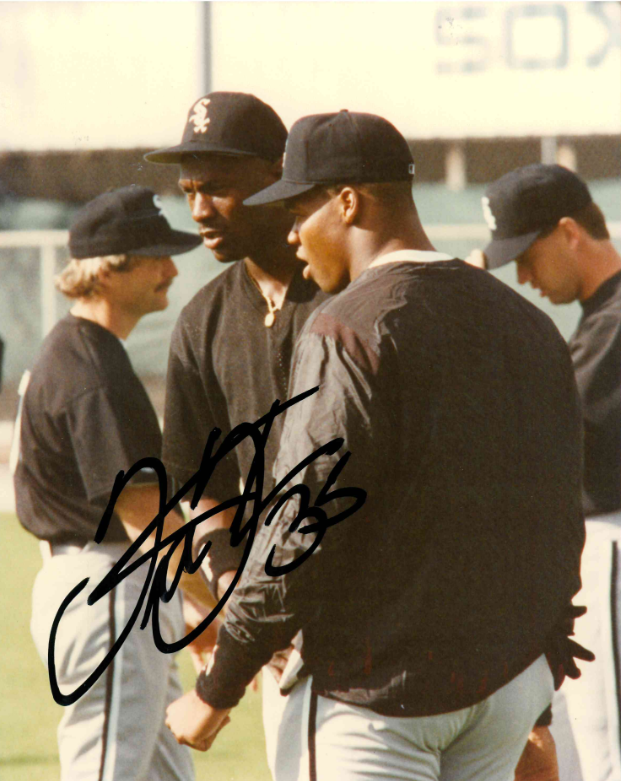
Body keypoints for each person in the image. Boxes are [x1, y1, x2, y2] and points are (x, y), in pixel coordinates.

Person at [165, 111, 592, 780]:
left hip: (373, 698)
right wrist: (536, 675)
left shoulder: (346, 327)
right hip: (502, 689)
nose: (290, 232)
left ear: (347, 202)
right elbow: (557, 518)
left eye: (299, 210)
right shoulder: (529, 323)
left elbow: (295, 531)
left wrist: (217, 689)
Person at [145, 91, 328, 779]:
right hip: (278, 630)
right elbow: (205, 484)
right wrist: (229, 585)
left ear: (276, 174)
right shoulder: (204, 319)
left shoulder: (346, 294)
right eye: (189, 190)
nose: (199, 208)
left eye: (218, 186)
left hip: (379, 612)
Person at [12, 185, 209, 781]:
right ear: (106, 272)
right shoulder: (91, 368)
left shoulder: (76, 351)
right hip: (109, 595)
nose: (171, 270)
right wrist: (213, 611)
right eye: (154, 257)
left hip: (107, 587)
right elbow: (146, 517)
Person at [476, 163, 621, 781]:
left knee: (609, 755)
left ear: (568, 232)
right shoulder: (602, 320)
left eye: (526, 256)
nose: (523, 277)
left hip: (611, 543)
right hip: (594, 547)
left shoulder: (615, 324)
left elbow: (528, 433)